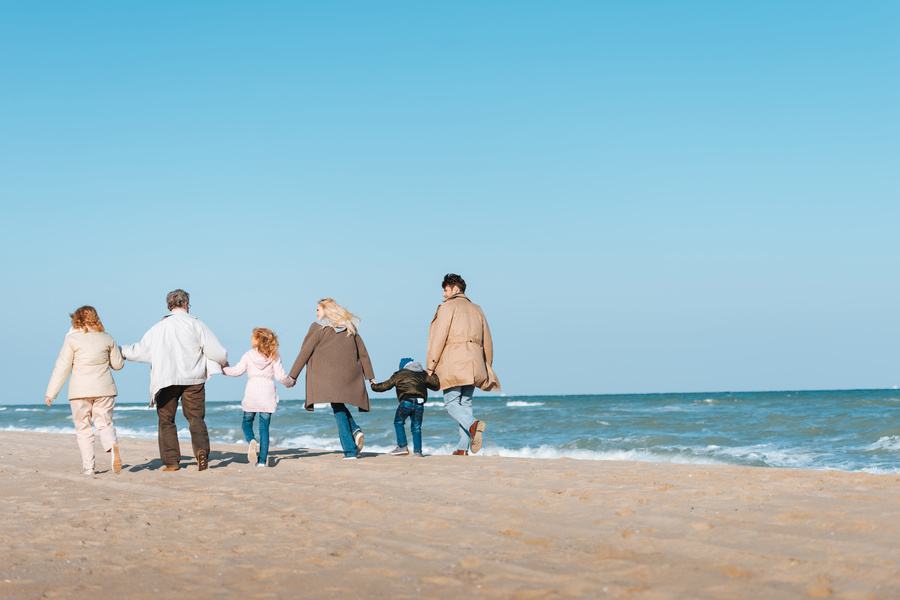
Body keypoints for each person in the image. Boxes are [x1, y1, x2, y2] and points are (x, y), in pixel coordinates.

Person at [121, 289, 228, 472]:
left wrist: (119, 350)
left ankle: (171, 462)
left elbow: (140, 351)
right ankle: (201, 451)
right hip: (193, 379)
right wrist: (223, 362)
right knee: (195, 418)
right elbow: (219, 352)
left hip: (166, 379)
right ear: (186, 304)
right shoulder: (196, 324)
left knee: (166, 420)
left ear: (169, 306)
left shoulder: (157, 328)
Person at [289, 298, 375, 460]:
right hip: (349, 375)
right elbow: (363, 353)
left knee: (337, 411)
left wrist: (293, 375)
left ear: (327, 311)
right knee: (339, 405)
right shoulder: (350, 328)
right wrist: (370, 377)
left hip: (328, 378)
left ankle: (350, 451)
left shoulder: (318, 328)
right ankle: (355, 430)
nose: (316, 314)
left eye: (318, 310)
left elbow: (305, 352)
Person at [45, 306, 125, 475]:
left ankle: (89, 468)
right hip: (105, 389)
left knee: (83, 428)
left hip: (80, 391)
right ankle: (111, 446)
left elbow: (62, 367)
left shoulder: (72, 339)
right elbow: (118, 365)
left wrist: (51, 392)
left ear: (76, 319)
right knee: (104, 424)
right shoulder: (107, 338)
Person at [426, 273, 500, 456]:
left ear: (455, 289)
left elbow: (438, 337)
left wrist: (431, 365)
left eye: (445, 290)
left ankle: (474, 424)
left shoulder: (448, 307)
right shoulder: (477, 309)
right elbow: (488, 340)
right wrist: (487, 365)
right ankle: (462, 448)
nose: (444, 295)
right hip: (475, 363)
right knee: (465, 403)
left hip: (454, 361)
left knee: (451, 404)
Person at [223, 327, 295, 468]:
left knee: (246, 423)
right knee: (264, 429)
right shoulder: (274, 356)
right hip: (267, 396)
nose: (250, 340)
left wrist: (223, 368)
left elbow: (236, 371)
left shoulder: (248, 355)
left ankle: (251, 441)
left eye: (252, 337)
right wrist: (291, 382)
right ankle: (262, 462)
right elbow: (281, 377)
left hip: (252, 394)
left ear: (258, 340)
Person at [371, 358, 440, 457]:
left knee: (398, 422)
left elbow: (385, 386)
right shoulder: (422, 373)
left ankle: (402, 447)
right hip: (419, 403)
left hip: (406, 402)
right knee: (416, 427)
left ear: (402, 367)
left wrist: (374, 385)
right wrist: (432, 373)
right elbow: (435, 383)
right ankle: (418, 452)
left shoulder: (399, 374)